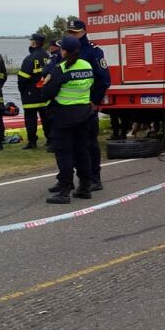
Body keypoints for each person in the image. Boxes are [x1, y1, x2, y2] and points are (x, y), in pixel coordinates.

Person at [42, 35, 95, 204]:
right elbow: (91, 85)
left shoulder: (62, 68)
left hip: (64, 115)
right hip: (85, 113)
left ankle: (64, 190)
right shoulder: (87, 65)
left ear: (63, 51)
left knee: (64, 153)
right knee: (82, 152)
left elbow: (48, 92)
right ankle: (85, 187)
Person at [64, 18, 111, 191]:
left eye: (74, 33)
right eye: (69, 33)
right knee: (69, 144)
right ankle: (69, 179)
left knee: (89, 142)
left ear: (83, 32)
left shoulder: (93, 51)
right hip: (67, 106)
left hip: (87, 106)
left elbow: (104, 80)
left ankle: (94, 178)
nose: (71, 36)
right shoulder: (65, 51)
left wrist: (94, 101)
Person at [17, 33, 48, 150]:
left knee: (30, 119)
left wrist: (22, 90)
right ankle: (50, 140)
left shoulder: (30, 59)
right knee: (46, 118)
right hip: (44, 93)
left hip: (30, 95)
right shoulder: (47, 56)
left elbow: (22, 78)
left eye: (31, 41)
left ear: (34, 43)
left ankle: (32, 142)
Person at [41, 39, 62, 151]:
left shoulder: (54, 58)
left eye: (51, 46)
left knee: (53, 119)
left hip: (55, 93)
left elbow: (46, 71)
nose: (50, 48)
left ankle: (54, 143)